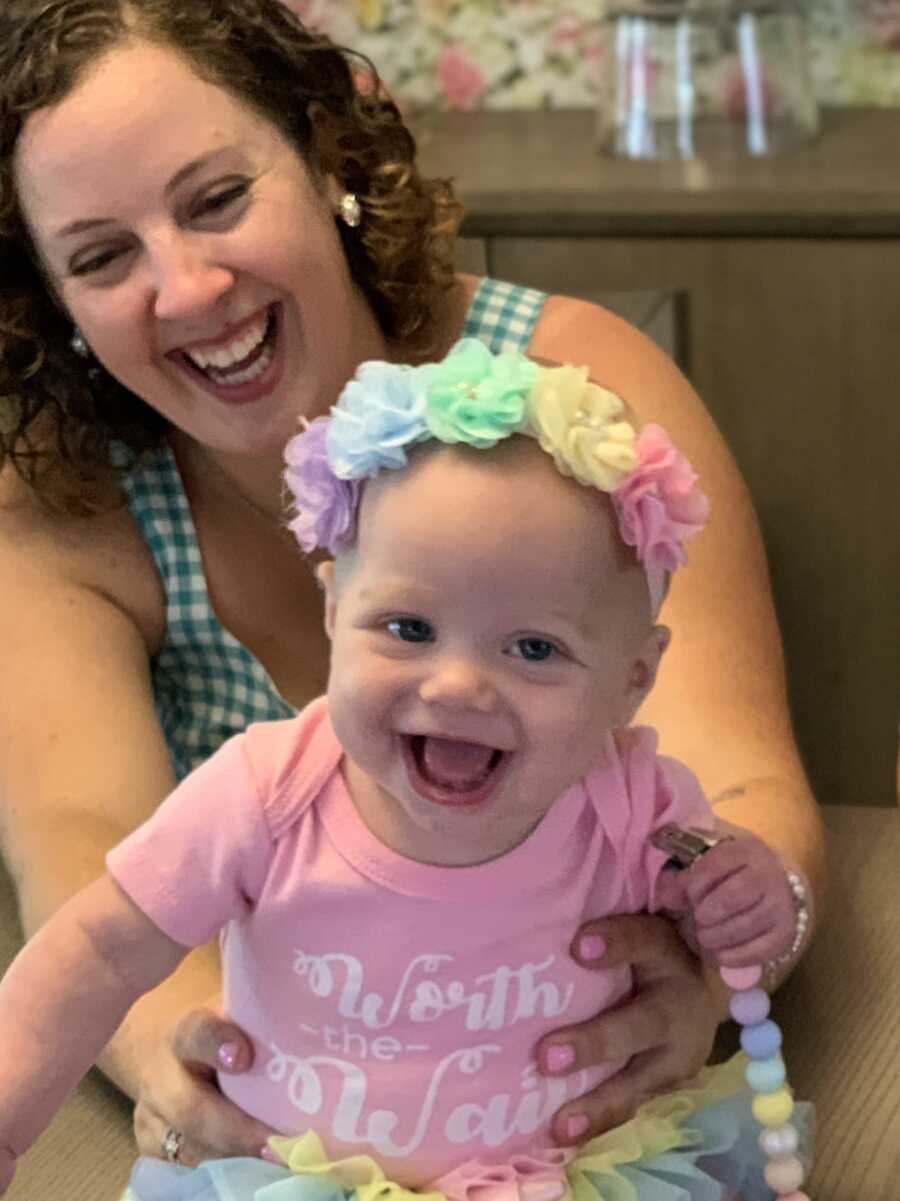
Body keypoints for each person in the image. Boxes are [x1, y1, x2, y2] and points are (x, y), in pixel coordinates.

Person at [0, 0, 825, 1176]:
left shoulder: (574, 406)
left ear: (328, 155)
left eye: (217, 198)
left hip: (563, 1113)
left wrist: (717, 955)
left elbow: (735, 786)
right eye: (99, 256)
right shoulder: (63, 509)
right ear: (54, 303)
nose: (184, 288)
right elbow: (87, 851)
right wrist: (210, 1067)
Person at [0, 344, 811, 1201]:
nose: (458, 684)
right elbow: (96, 946)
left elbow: (716, 902)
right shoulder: (265, 794)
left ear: (632, 679)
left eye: (534, 648)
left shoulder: (629, 800)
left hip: (568, 1177)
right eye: (408, 627)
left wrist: (748, 893)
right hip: (300, 1179)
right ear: (333, 608)